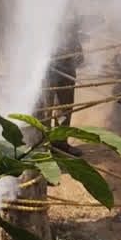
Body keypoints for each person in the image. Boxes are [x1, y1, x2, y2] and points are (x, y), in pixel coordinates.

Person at [43, 11, 84, 155]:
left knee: (65, 107)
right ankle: (43, 148)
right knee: (45, 110)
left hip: (67, 63)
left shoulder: (69, 5)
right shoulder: (41, 7)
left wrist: (79, 50)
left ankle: (60, 143)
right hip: (46, 66)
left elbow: (73, 32)